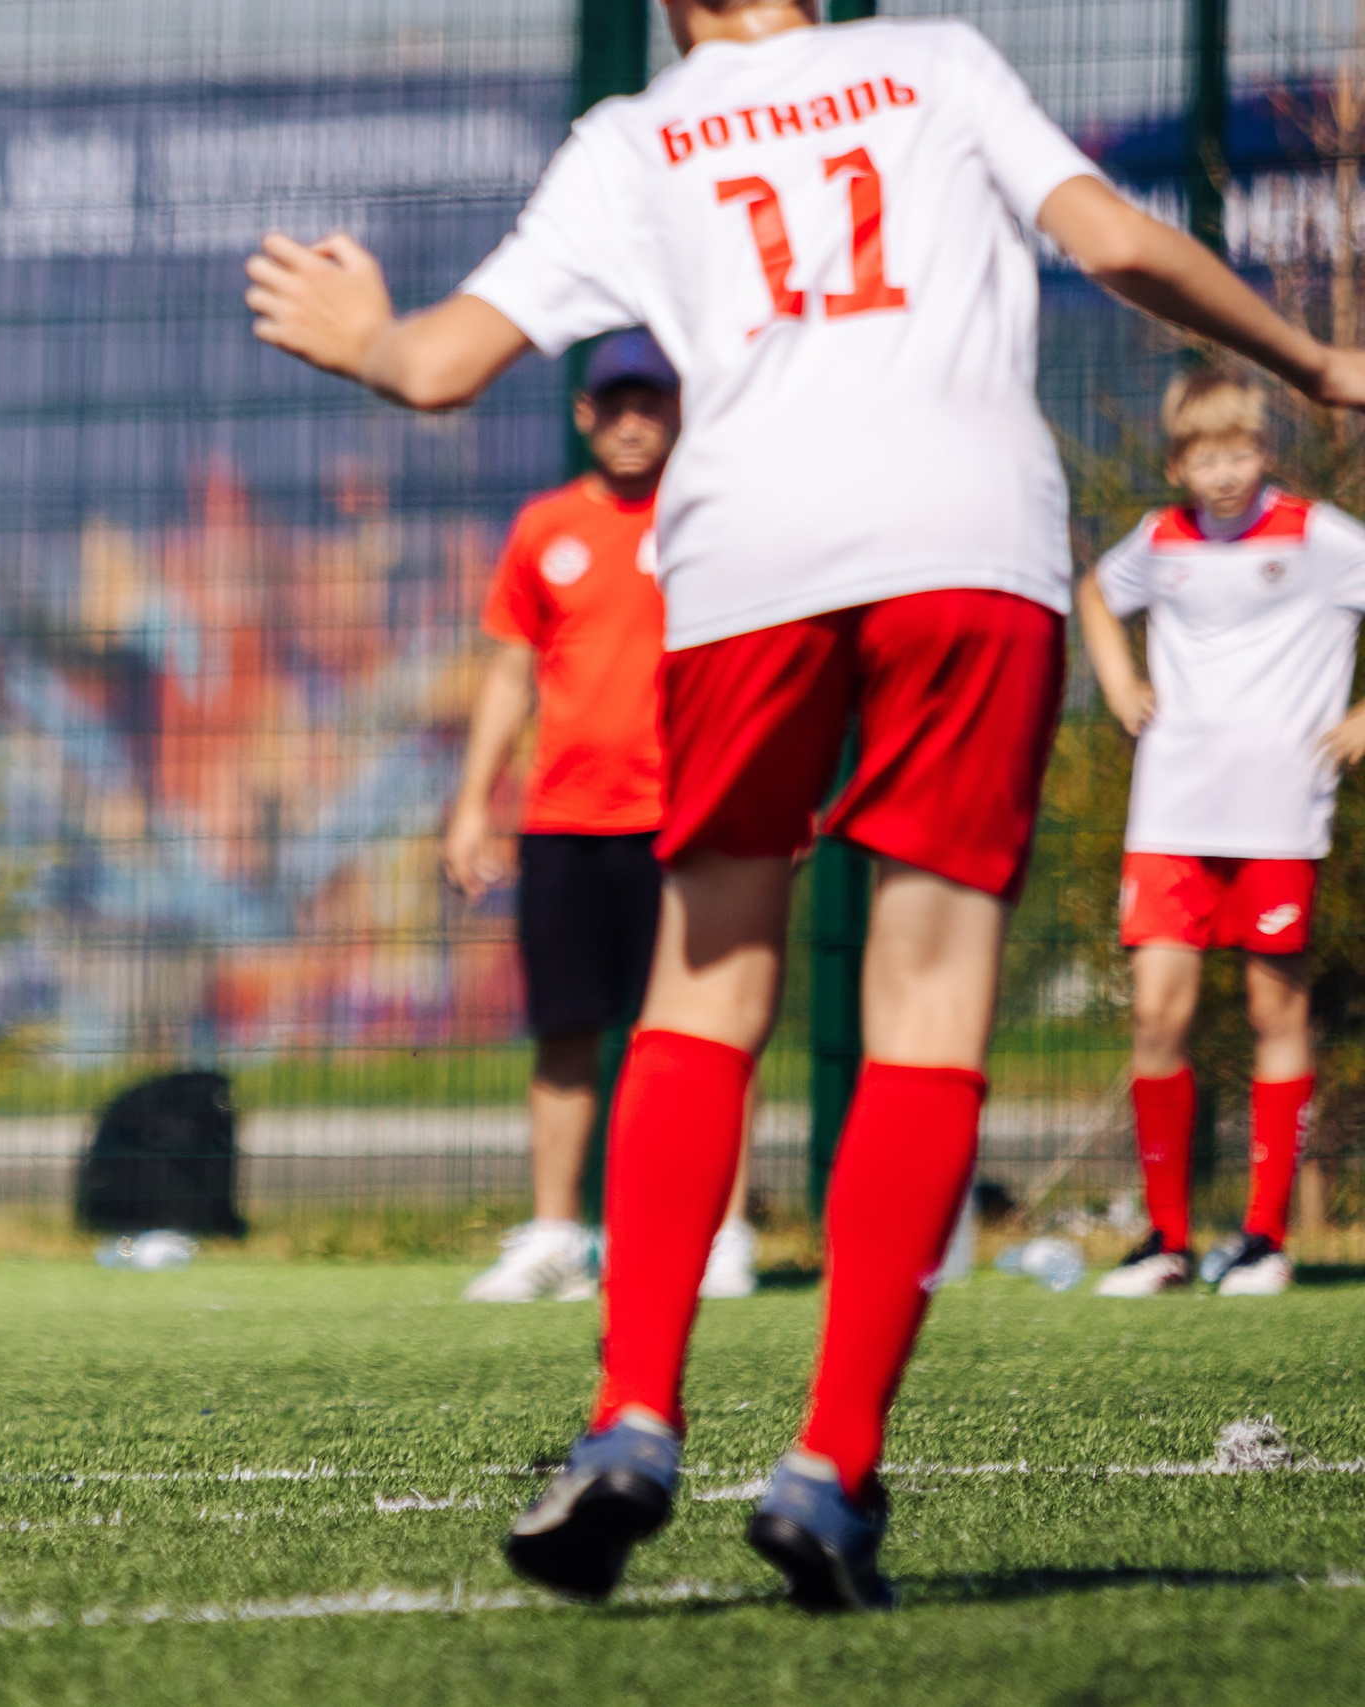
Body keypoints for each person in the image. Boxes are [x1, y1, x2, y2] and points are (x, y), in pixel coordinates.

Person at [244, 0, 1365, 1610]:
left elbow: (432, 366)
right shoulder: (934, 61)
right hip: (966, 542)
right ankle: (831, 1463)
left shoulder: (631, 138)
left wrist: (364, 332)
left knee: (704, 982)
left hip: (748, 561)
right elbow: (1116, 241)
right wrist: (1316, 357)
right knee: (924, 1005)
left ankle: (633, 1415)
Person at [447, 330, 757, 1305]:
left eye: (650, 404)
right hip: (564, 822)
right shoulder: (544, 528)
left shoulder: (712, 520)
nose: (632, 423)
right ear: (585, 416)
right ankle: (555, 1237)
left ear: (676, 411)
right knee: (565, 1033)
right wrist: (470, 806)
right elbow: (509, 670)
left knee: (695, 1034)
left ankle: (720, 1235)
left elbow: (757, 663)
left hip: (683, 820)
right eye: (614, 405)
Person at [1078, 369, 1365, 1300]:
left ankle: (1263, 1241)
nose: (1226, 471)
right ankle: (1164, 1239)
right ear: (1179, 463)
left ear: (1265, 450)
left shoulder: (1319, 535)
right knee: (1158, 1015)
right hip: (1169, 815)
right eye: (1205, 455)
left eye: (1240, 449)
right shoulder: (1159, 541)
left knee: (1273, 1014)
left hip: (1283, 815)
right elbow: (1093, 592)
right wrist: (1120, 684)